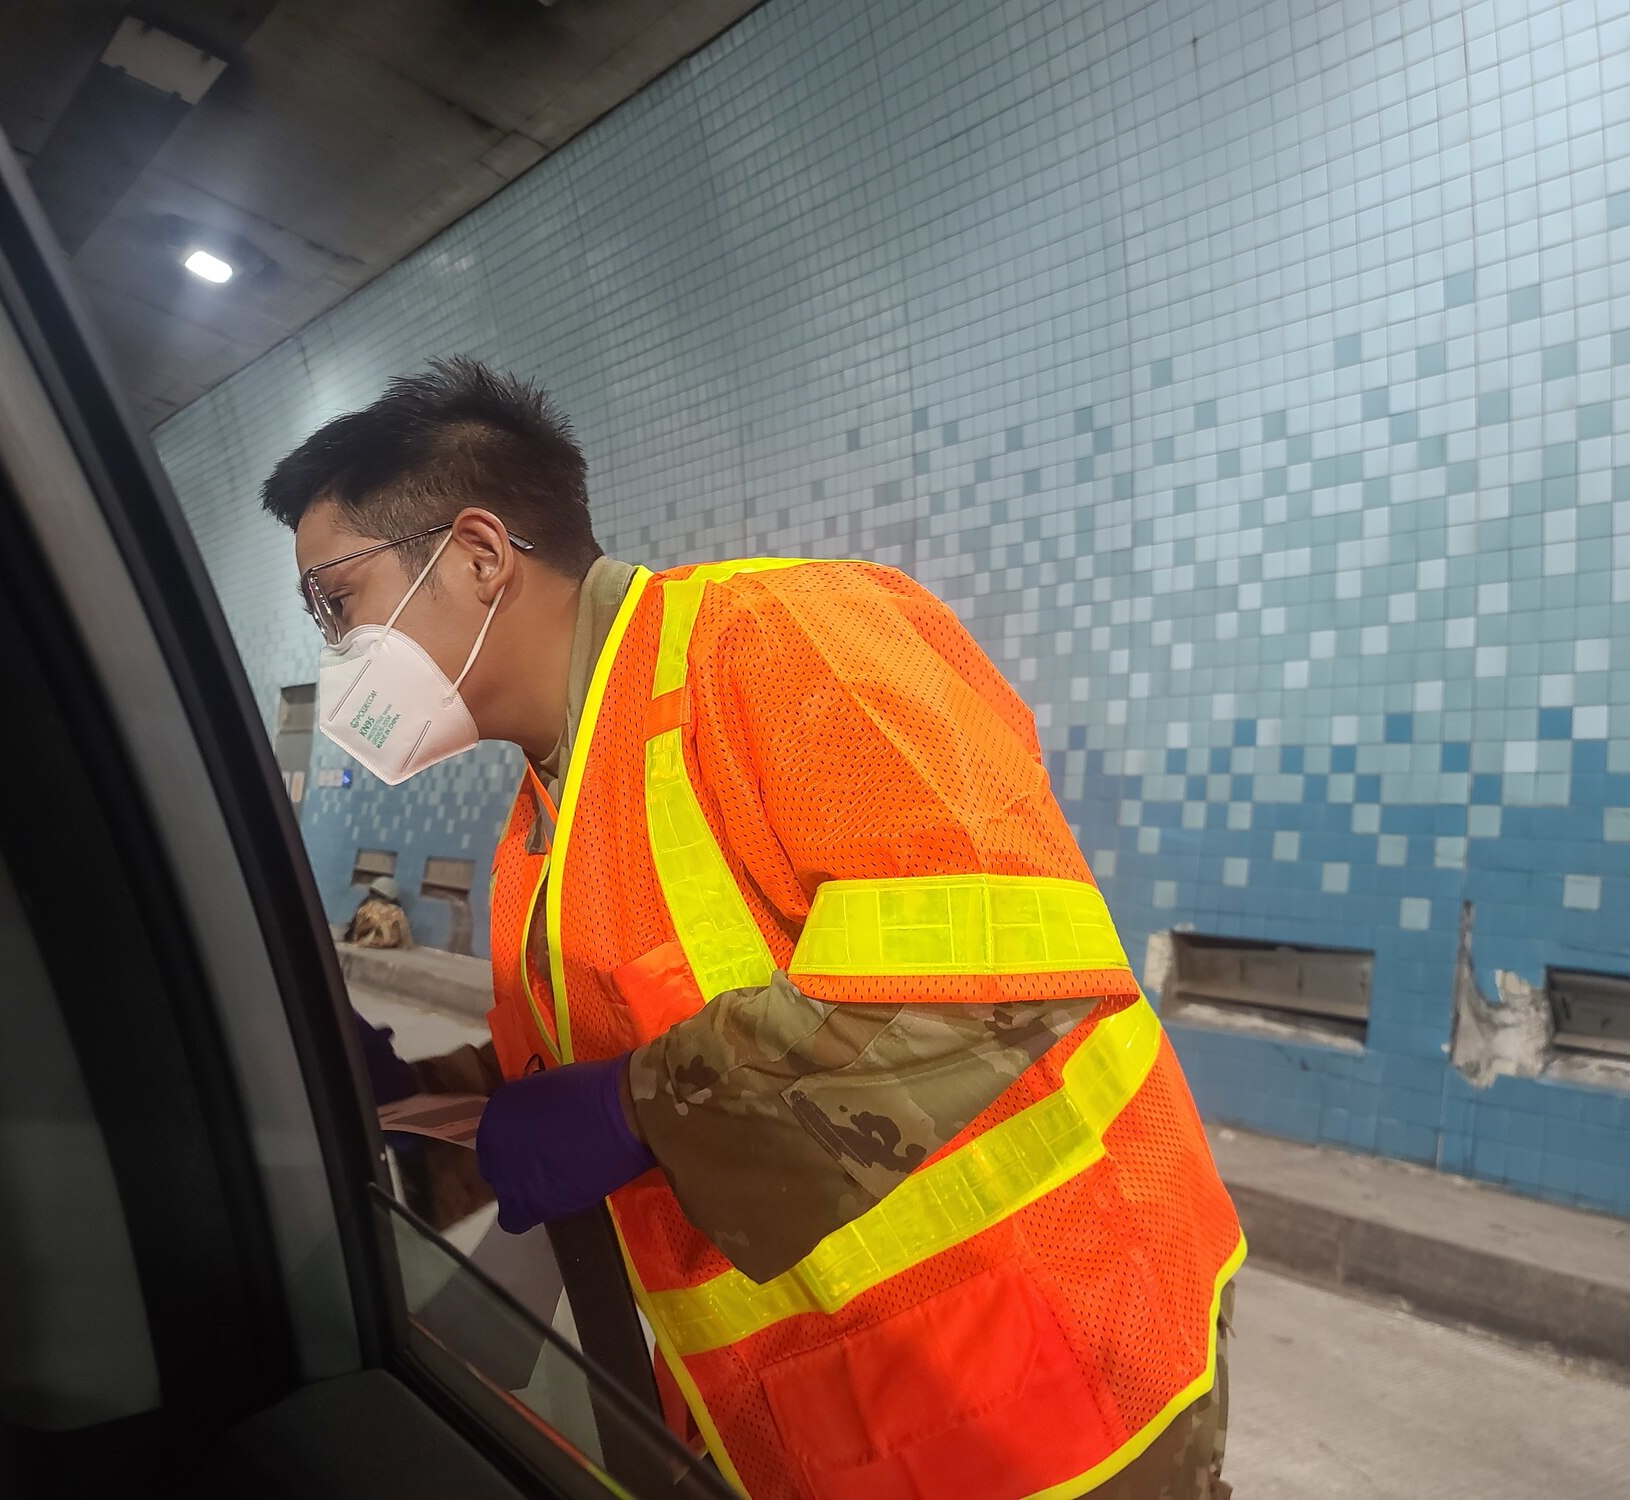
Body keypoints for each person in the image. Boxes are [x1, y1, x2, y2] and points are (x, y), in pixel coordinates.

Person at [266, 359, 1244, 1500]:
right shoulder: (542, 819)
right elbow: (591, 1079)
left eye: (336, 604)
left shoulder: (780, 638)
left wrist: (632, 1109)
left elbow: (983, 982)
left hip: (1052, 1403)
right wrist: (410, 1123)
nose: (334, 658)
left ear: (479, 556)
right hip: (820, 1435)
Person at [344, 873, 411, 947]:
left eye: (376, 893)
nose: (372, 896)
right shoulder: (368, 903)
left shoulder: (394, 909)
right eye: (372, 892)